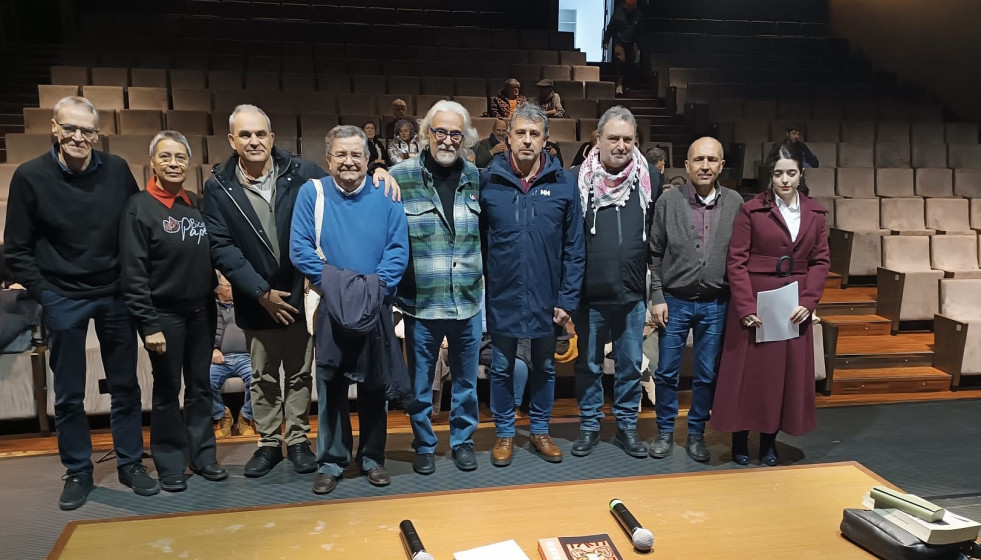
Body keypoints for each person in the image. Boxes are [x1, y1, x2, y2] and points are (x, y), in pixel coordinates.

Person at [203, 104, 401, 479]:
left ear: (272, 137)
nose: (254, 140)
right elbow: (225, 247)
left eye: (260, 133)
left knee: (308, 376)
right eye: (245, 134)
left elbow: (393, 244)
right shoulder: (219, 186)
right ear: (232, 140)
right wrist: (262, 291)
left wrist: (379, 168)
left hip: (309, 297)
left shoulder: (300, 172)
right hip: (267, 296)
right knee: (270, 375)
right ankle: (281, 447)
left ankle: (304, 443)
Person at [4, 96, 158, 509]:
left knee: (126, 386)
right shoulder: (30, 176)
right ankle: (78, 470)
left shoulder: (119, 170)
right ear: (54, 128)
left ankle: (130, 463)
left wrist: (132, 283)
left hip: (114, 294)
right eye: (69, 128)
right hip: (62, 297)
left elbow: (133, 227)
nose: (77, 137)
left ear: (97, 133)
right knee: (69, 394)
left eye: (86, 130)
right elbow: (16, 250)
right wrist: (46, 295)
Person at [289, 125, 408, 495]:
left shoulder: (386, 193)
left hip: (376, 305)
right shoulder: (313, 193)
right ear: (328, 159)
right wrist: (341, 291)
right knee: (331, 387)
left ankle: (372, 458)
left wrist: (371, 292)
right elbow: (300, 250)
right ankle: (332, 460)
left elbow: (398, 251)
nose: (349, 161)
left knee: (374, 385)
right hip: (331, 306)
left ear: (369, 158)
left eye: (356, 154)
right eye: (341, 154)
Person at [120, 130, 227, 492]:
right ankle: (170, 463)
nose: (173, 163)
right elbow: (133, 274)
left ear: (189, 162)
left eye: (180, 157)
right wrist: (148, 324)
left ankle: (204, 457)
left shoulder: (194, 202)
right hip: (163, 316)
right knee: (167, 390)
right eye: (165, 157)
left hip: (201, 311)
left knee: (200, 388)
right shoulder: (139, 207)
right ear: (152, 162)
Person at [480, 102, 585, 466]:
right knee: (501, 367)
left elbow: (574, 247)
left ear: (546, 139)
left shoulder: (565, 184)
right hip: (503, 296)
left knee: (545, 367)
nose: (526, 140)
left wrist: (567, 299)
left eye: (534, 134)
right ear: (507, 138)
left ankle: (540, 430)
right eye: (520, 133)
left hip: (547, 298)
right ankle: (505, 434)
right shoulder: (487, 181)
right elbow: (479, 242)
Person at [711, 147, 830, 466]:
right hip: (755, 301)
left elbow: (821, 261)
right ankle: (738, 439)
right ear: (770, 176)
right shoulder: (752, 210)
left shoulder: (815, 214)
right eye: (778, 173)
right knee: (746, 375)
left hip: (792, 305)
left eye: (791, 173)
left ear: (800, 174)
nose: (785, 179)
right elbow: (736, 260)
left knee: (780, 377)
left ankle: (768, 442)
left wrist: (809, 301)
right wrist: (746, 305)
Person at [389, 100, 483, 475]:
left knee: (466, 384)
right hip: (420, 306)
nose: (447, 139)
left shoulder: (477, 177)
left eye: (455, 133)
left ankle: (462, 441)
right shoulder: (398, 176)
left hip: (468, 303)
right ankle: (424, 444)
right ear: (427, 132)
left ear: (464, 138)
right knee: (420, 385)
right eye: (440, 131)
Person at [571, 106, 661, 459]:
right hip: (589, 294)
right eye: (613, 138)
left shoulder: (650, 176)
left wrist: (655, 292)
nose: (621, 145)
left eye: (628, 139)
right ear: (599, 139)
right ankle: (590, 426)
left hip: (632, 292)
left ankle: (626, 426)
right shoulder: (576, 177)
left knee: (629, 364)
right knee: (588, 365)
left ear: (635, 141)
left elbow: (654, 237)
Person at [648, 137, 742, 463]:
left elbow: (741, 256)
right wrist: (657, 296)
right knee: (666, 373)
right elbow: (655, 254)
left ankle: (696, 433)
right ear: (686, 165)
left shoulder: (735, 203)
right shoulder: (668, 202)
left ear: (721, 165)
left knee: (706, 374)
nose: (705, 166)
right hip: (674, 301)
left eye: (712, 160)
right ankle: (663, 431)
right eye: (698, 160)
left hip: (716, 303)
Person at [211, 272, 255, 438]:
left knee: (257, 378)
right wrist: (212, 349)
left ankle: (246, 417)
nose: (233, 290)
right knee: (204, 381)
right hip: (220, 359)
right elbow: (201, 333)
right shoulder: (210, 308)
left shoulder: (245, 306)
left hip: (246, 357)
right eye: (229, 287)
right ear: (218, 290)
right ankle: (222, 416)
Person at [604, 0, 643, 94]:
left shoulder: (638, 14)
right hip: (619, 42)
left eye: (632, 6)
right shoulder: (618, 13)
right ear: (625, 5)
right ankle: (619, 83)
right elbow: (610, 28)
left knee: (629, 64)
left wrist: (639, 43)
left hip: (631, 42)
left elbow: (640, 30)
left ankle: (626, 84)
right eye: (629, 5)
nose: (630, 8)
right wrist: (606, 41)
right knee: (621, 61)